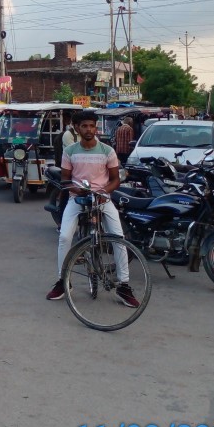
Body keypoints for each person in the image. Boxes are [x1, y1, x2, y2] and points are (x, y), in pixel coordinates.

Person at [47, 110, 140, 308]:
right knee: (64, 237)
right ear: (77, 128)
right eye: (84, 126)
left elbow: (115, 180)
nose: (89, 129)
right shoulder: (70, 151)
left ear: (95, 127)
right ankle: (63, 281)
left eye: (91, 126)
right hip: (77, 199)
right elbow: (65, 180)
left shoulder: (107, 150)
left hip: (102, 199)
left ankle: (124, 285)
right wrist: (76, 190)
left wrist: (102, 192)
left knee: (118, 238)